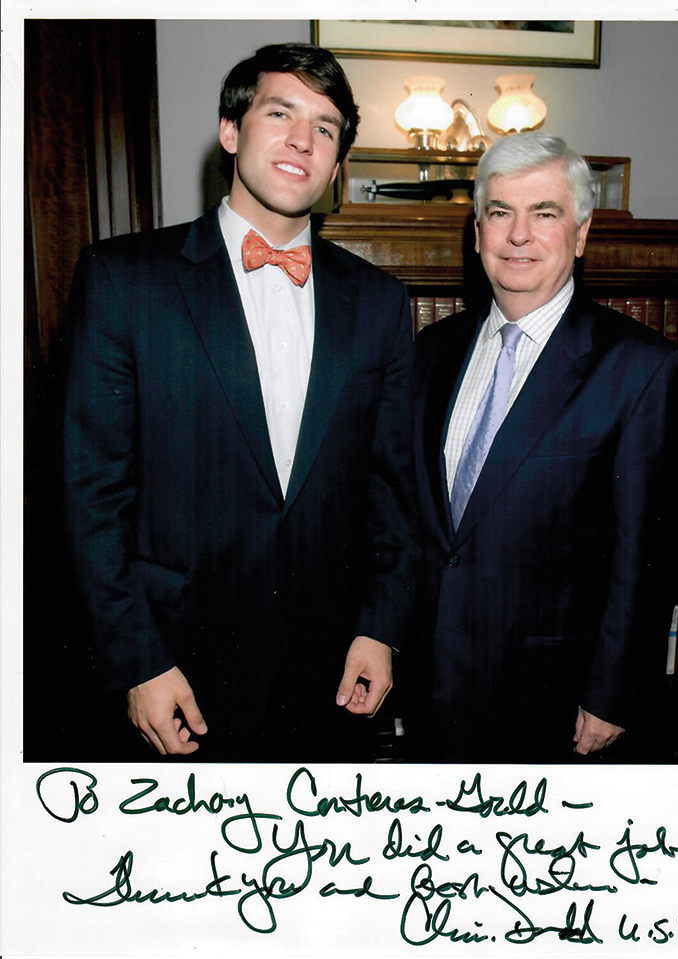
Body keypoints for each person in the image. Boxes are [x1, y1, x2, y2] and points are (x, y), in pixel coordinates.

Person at [61, 42, 417, 761]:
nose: (301, 141)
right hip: (175, 667)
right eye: (279, 113)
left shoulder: (379, 302)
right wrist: (138, 659)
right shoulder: (124, 279)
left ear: (339, 158)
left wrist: (380, 627)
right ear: (231, 131)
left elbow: (394, 488)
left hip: (329, 675)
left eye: (325, 127)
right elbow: (89, 494)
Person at [409, 133, 678, 763]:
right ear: (477, 229)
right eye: (500, 212)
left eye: (545, 213)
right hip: (432, 686)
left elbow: (645, 558)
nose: (519, 235)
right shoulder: (432, 353)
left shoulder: (642, 368)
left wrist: (613, 693)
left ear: (582, 233)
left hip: (556, 704)